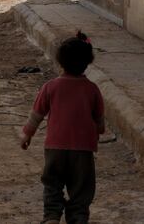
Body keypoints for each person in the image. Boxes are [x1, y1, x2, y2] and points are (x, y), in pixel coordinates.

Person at [19, 31, 105, 224]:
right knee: (81, 189)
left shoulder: (50, 87)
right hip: (83, 150)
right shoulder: (92, 89)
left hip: (55, 148)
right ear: (88, 62)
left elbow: (36, 115)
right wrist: (99, 130)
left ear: (60, 62)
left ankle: (51, 217)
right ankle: (78, 218)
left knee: (52, 184)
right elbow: (99, 119)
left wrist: (27, 134)